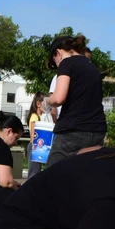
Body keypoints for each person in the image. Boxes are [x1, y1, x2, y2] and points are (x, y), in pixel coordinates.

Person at [44, 34, 107, 167]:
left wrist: (47, 101)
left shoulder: (67, 62)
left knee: (52, 174)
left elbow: (58, 98)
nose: (57, 66)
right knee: (82, 175)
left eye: (54, 62)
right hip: (97, 131)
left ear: (58, 53)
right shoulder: (93, 68)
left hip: (73, 132)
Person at [27, 93, 48, 177]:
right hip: (34, 146)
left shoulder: (40, 117)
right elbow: (33, 136)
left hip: (38, 147)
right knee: (34, 173)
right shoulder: (34, 117)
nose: (48, 106)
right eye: (46, 103)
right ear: (38, 104)